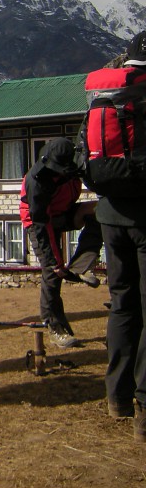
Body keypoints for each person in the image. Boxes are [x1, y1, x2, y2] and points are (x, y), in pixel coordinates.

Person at [96, 31, 146, 441]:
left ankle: (118, 396)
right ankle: (145, 406)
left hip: (110, 215)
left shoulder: (104, 98)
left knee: (122, 303)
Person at [20, 138, 103, 348]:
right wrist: (54, 262)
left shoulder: (75, 166)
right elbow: (42, 224)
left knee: (103, 212)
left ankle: (82, 266)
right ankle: (54, 327)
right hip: (38, 222)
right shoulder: (36, 181)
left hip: (62, 212)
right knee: (51, 274)